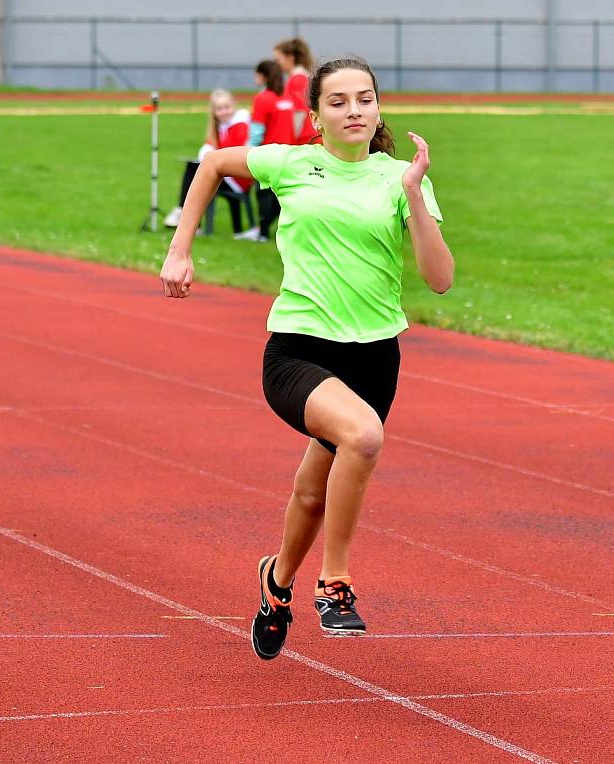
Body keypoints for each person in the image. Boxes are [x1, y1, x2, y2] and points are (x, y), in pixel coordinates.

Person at [159, 56, 454, 661]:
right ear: (316, 115)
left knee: (314, 491)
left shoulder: (403, 178)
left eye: (365, 100)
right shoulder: (294, 162)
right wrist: (180, 250)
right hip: (298, 352)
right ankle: (335, 581)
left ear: (379, 110)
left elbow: (440, 279)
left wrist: (413, 197)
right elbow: (213, 162)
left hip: (374, 359)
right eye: (339, 101)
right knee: (364, 438)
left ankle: (278, 583)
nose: (354, 111)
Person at [163, 89, 252, 234]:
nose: (224, 112)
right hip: (227, 175)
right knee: (195, 168)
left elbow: (233, 153)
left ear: (234, 106)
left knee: (195, 172)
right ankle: (187, 217)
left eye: (227, 107)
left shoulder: (240, 125)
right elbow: (210, 146)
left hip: (238, 178)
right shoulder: (220, 128)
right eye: (219, 109)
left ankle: (183, 212)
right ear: (214, 112)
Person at [236, 60, 294, 242]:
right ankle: (270, 230)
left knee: (263, 193)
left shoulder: (263, 98)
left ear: (263, 76)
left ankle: (262, 232)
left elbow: (257, 131)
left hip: (268, 152)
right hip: (288, 151)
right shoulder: (287, 96)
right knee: (280, 195)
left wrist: (246, 151)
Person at [273, 37, 316, 145]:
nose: (276, 64)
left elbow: (300, 112)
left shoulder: (298, 79)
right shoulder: (298, 77)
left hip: (304, 138)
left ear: (290, 58)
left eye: (278, 59)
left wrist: (292, 142)